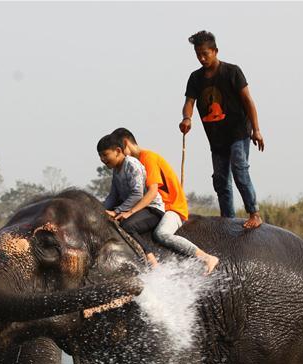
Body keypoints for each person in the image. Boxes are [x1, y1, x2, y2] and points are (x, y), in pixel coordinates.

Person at [180, 30, 264, 229]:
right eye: (198, 55)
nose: (202, 58)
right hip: (216, 136)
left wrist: (256, 130)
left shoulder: (232, 72)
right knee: (220, 179)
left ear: (215, 51)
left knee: (239, 168)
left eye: (205, 54)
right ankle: (228, 218)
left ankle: (254, 213)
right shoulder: (195, 78)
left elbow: (248, 101)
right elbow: (189, 102)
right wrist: (187, 118)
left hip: (238, 131)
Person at [112, 128, 219, 274]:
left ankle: (206, 257)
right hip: (154, 208)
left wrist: (130, 212)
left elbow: (152, 192)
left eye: (118, 151)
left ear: (125, 143)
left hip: (172, 208)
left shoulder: (147, 158)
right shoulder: (132, 165)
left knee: (162, 234)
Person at [97, 133, 164, 268]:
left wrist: (117, 211)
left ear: (118, 151)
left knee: (127, 226)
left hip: (151, 208)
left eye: (105, 155)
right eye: (100, 156)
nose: (102, 159)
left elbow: (137, 194)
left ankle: (150, 258)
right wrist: (100, 210)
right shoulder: (116, 170)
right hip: (134, 208)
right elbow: (113, 196)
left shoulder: (131, 164)